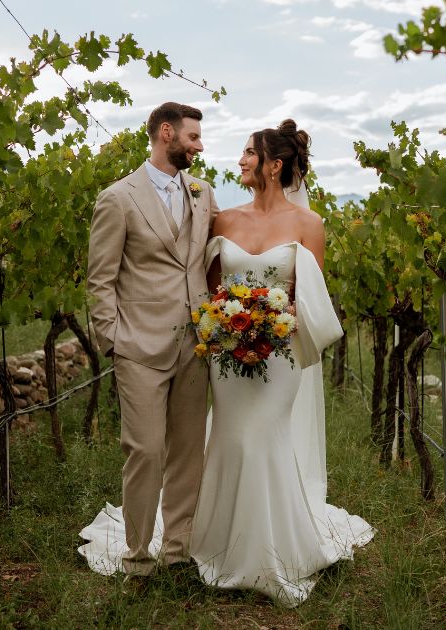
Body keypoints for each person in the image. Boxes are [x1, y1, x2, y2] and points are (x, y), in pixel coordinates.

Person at [187, 118, 373, 605]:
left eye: (248, 153)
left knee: (262, 439)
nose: (241, 161)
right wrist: (224, 323)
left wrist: (271, 321)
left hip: (280, 358)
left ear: (273, 165)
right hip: (227, 353)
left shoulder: (309, 225)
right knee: (229, 438)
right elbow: (210, 289)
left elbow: (307, 297)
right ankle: (217, 544)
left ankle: (270, 554)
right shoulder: (223, 220)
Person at [83, 102, 214, 578]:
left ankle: (177, 552)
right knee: (145, 451)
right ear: (166, 134)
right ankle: (138, 558)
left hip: (196, 344)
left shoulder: (204, 194)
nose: (200, 146)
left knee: (187, 452)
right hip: (138, 345)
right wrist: (112, 340)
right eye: (193, 137)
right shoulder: (118, 198)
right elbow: (101, 279)